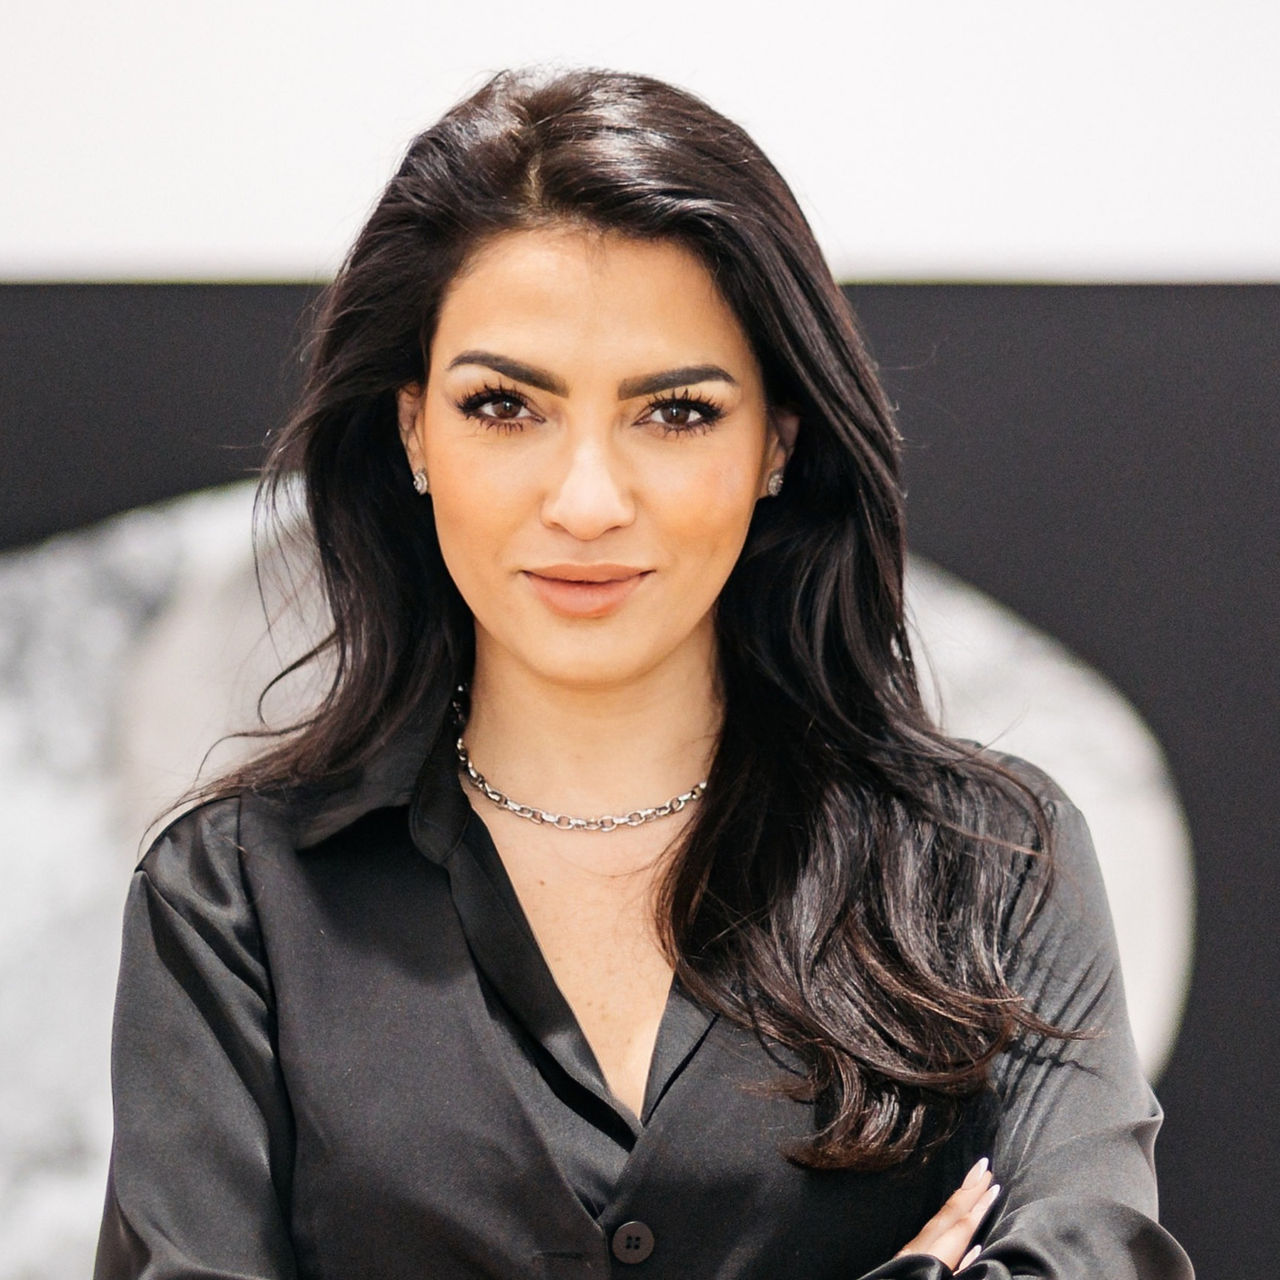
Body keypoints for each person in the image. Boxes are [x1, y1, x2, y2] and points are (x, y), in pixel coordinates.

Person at [93, 68, 1193, 1279]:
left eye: (673, 413)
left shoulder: (991, 866)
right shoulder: (235, 903)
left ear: (777, 439)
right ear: (412, 428)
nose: (586, 501)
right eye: (504, 405)